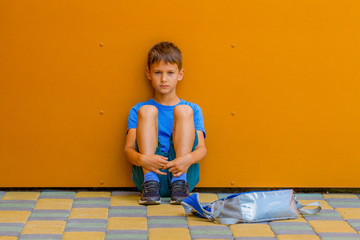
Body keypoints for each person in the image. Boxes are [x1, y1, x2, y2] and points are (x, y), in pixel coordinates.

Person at [124, 42, 207, 205]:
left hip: (182, 171)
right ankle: (150, 182)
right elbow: (128, 150)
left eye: (170, 73)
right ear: (148, 73)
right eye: (158, 72)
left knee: (183, 111)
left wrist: (188, 159)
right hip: (148, 171)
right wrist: (143, 160)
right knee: (147, 110)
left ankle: (179, 183)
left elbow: (201, 148)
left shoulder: (193, 109)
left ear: (180, 74)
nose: (163, 79)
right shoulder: (138, 110)